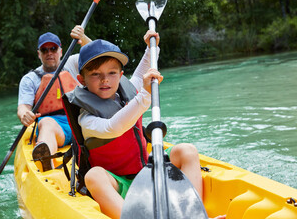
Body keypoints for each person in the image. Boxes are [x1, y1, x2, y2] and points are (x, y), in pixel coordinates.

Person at [65, 31, 226, 219]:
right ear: (81, 80)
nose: (105, 79)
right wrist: (145, 95)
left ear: (120, 75)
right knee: (93, 176)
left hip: (147, 172)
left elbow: (143, 71)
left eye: (111, 73)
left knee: (187, 150)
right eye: (95, 74)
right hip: (117, 183)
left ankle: (192, 214)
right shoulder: (86, 117)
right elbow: (113, 127)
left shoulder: (127, 91)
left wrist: (152, 47)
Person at [17, 25, 91, 172]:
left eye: (53, 49)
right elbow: (23, 107)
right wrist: (24, 114)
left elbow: (99, 54)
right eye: (44, 50)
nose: (49, 53)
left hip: (82, 122)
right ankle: (47, 165)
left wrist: (83, 38)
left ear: (61, 51)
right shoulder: (30, 79)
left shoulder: (73, 63)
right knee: (46, 123)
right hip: (56, 127)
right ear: (39, 54)